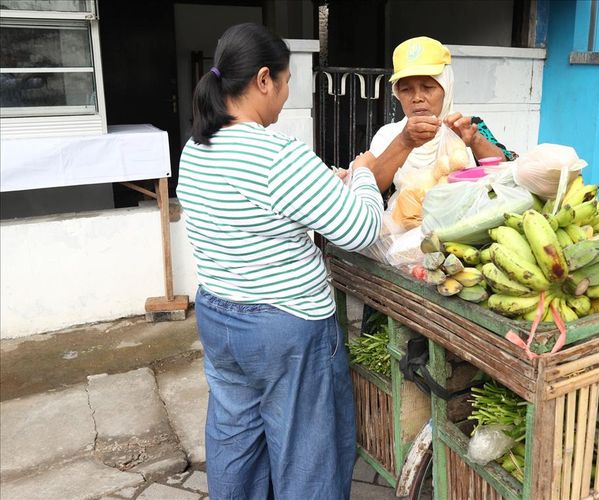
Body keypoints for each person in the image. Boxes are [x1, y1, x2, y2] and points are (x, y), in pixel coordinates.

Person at [176, 23, 383, 499]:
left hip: (219, 318)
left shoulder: (196, 148)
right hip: (286, 328)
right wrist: (366, 176)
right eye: (288, 83)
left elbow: (252, 211)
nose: (287, 95)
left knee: (235, 441)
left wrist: (324, 186)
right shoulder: (275, 153)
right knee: (307, 452)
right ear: (264, 79)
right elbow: (360, 229)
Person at [369, 36, 515, 194]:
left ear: (446, 86)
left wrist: (474, 140)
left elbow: (507, 174)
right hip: (407, 217)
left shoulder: (470, 127)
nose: (417, 97)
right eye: (406, 89)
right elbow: (370, 187)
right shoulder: (388, 135)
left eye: (427, 87)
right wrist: (404, 142)